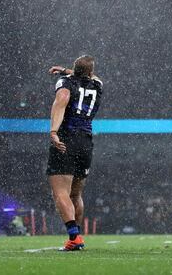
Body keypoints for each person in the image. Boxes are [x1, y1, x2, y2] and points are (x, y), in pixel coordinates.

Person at [46, 55, 103, 251]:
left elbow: (61, 101)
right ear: (90, 72)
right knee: (76, 194)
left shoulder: (66, 83)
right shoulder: (98, 84)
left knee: (60, 192)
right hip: (86, 142)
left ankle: (74, 237)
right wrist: (65, 69)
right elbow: (85, 76)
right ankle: (76, 236)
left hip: (66, 138)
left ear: (74, 69)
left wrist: (53, 131)